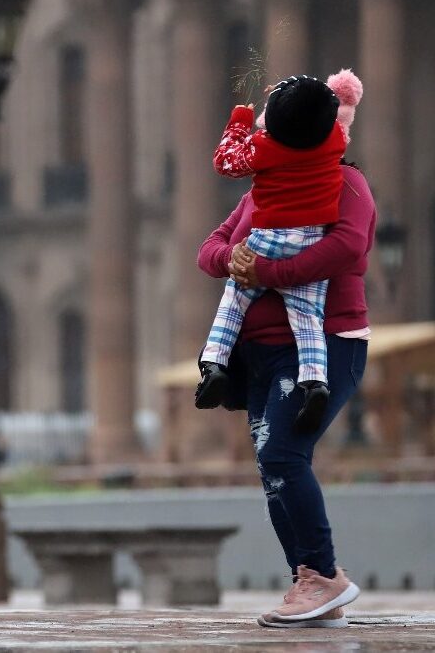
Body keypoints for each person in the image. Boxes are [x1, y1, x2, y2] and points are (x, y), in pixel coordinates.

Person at [198, 152, 374, 627]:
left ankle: (322, 575)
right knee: (270, 461)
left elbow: (347, 247)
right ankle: (313, 586)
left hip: (326, 344)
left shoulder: (347, 182)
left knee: (281, 453)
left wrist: (267, 273)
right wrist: (229, 258)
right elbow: (210, 246)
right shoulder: (263, 190)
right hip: (259, 353)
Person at [197, 71, 362, 434]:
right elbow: (330, 114)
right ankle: (315, 382)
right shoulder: (333, 139)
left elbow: (226, 161)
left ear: (271, 125)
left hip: (269, 238)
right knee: (308, 320)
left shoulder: (265, 147)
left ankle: (213, 363)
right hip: (308, 238)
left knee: (233, 301)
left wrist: (240, 121)